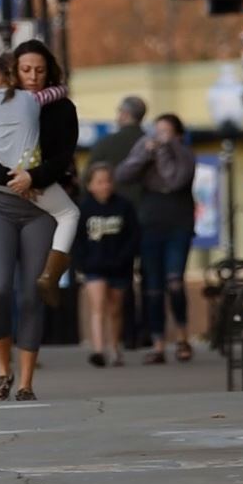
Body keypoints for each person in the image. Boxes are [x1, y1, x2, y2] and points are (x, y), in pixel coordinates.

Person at [0, 40, 79, 402]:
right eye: (26, 70)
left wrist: (35, 177)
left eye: (40, 70)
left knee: (31, 295)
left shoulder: (60, 109)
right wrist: (10, 178)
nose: (33, 77)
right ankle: (2, 371)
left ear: (50, 72)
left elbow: (64, 156)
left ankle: (26, 381)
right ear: (14, 70)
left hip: (40, 207)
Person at [0, 57, 81, 305]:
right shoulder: (32, 99)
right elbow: (59, 92)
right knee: (69, 214)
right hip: (31, 179)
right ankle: (50, 274)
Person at [116, 113, 198, 364]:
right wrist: (144, 153)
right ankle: (158, 343)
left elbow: (174, 180)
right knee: (151, 287)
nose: (159, 136)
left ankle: (183, 338)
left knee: (174, 281)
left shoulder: (184, 154)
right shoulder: (146, 150)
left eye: (166, 131)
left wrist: (164, 150)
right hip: (150, 224)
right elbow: (122, 174)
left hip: (178, 225)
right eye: (157, 130)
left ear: (178, 135)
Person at [90, 96, 148, 348]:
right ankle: (143, 331)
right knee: (148, 278)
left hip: (112, 219)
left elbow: (88, 178)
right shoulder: (149, 144)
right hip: (147, 216)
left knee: (119, 276)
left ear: (124, 114)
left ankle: (122, 335)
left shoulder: (106, 145)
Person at [73, 163, 139, 368]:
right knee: (98, 305)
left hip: (119, 266)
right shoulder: (84, 209)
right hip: (94, 267)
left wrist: (126, 258)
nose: (105, 186)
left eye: (108, 181)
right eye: (99, 182)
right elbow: (77, 239)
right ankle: (99, 350)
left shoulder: (124, 207)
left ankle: (115, 348)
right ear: (90, 185)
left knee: (116, 309)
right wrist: (82, 262)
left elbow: (133, 236)